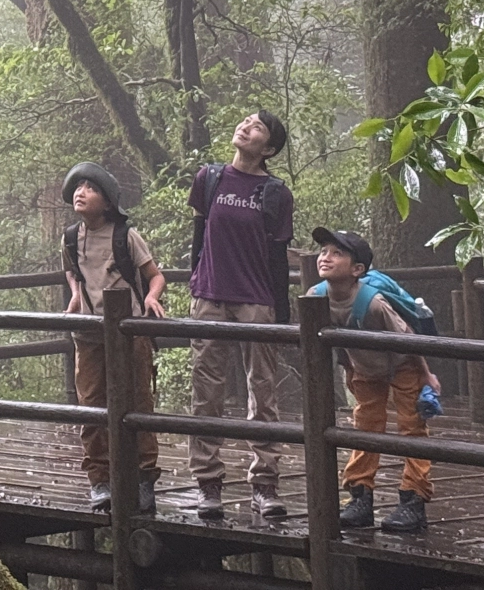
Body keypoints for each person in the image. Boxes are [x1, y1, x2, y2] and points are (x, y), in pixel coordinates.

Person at [185, 109, 294, 519]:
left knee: (262, 390)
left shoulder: (275, 193)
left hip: (256, 299)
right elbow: (199, 233)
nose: (245, 127)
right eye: (245, 122)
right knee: (206, 391)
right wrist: (196, 282)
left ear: (268, 148)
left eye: (257, 127)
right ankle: (208, 482)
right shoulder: (209, 178)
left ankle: (265, 483)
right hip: (211, 294)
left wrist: (280, 311)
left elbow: (278, 255)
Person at [312, 227, 438, 533]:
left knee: (412, 426)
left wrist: (426, 374)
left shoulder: (373, 303)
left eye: (337, 253)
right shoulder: (315, 298)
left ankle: (413, 499)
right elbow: (331, 340)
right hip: (364, 366)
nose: (326, 257)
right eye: (324, 251)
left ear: (357, 270)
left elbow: (407, 338)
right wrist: (349, 369)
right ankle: (360, 497)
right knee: (365, 426)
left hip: (403, 363)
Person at [61, 161, 166, 515]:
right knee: (91, 402)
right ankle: (100, 479)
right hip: (89, 331)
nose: (81, 192)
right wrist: (76, 294)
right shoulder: (71, 237)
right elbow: (72, 270)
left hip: (129, 329)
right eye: (78, 187)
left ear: (107, 202)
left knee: (138, 399)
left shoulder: (125, 235)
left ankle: (143, 477)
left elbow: (155, 276)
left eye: (90, 188)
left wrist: (151, 298)